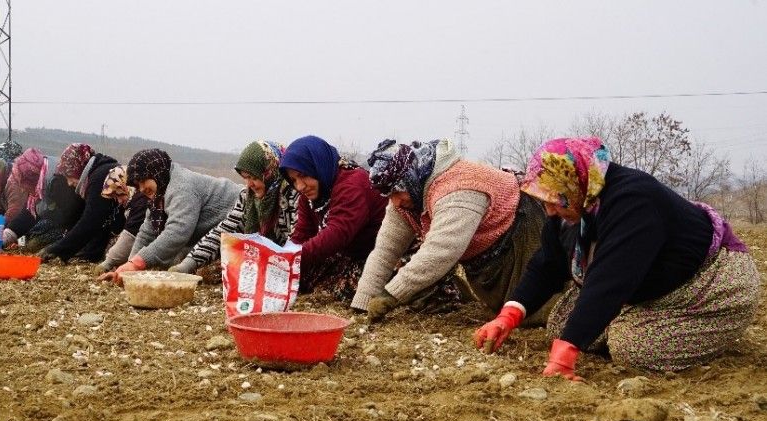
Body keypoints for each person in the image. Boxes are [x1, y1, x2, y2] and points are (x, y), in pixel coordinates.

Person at [474, 137, 760, 379]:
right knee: (561, 325)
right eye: (545, 201)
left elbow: (612, 277)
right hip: (647, 286)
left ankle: (708, 330)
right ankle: (632, 319)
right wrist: (508, 316)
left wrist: (565, 356)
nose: (549, 211)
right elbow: (547, 264)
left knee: (632, 347)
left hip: (705, 285)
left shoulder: (633, 200)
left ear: (576, 183)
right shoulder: (576, 203)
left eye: (555, 200)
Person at [355, 138, 547, 322]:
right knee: (505, 309)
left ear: (412, 178)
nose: (395, 201)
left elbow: (440, 252)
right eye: (389, 195)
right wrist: (362, 301)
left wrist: (390, 295)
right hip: (486, 256)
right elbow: (385, 251)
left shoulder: (459, 188)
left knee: (534, 307)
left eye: (397, 192)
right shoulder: (407, 198)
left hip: (520, 231)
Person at [98, 149, 241, 283]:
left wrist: (136, 264)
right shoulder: (160, 192)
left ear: (155, 173)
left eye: (143, 181)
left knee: (212, 274)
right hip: (215, 236)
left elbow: (177, 232)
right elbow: (146, 232)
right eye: (137, 185)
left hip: (242, 222)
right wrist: (129, 267)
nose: (141, 189)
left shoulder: (181, 187)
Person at [279, 135, 387, 299]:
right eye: (293, 180)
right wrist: (281, 258)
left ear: (318, 165)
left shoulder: (352, 184)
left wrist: (293, 257)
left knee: (339, 289)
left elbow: (337, 234)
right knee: (295, 277)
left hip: (377, 254)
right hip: (349, 255)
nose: (299, 186)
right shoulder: (309, 197)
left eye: (303, 175)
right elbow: (301, 234)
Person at [169, 140, 299, 274]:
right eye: (245, 178)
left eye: (253, 177)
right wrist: (189, 263)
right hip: (265, 268)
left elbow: (297, 241)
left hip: (291, 268)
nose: (249, 184)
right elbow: (223, 232)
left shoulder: (292, 195)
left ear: (269, 172)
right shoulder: (247, 199)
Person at [37, 144, 124, 263]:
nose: (68, 183)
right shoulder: (98, 172)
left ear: (76, 168)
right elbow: (101, 221)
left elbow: (91, 222)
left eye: (69, 176)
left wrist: (55, 250)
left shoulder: (99, 177)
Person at [2, 148, 83, 251]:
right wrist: (6, 236)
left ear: (31, 178)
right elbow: (29, 214)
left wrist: (61, 248)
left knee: (33, 245)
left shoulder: (58, 182)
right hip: (61, 222)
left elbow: (73, 216)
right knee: (29, 243)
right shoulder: (39, 182)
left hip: (74, 226)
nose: (22, 189)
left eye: (24, 183)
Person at [98, 171, 149, 273]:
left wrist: (108, 262)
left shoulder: (141, 202)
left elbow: (130, 236)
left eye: (119, 195)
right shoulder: (133, 201)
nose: (119, 201)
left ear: (125, 186)